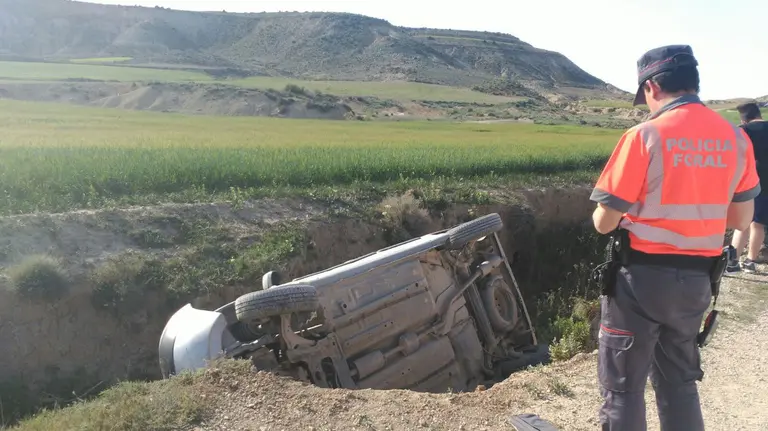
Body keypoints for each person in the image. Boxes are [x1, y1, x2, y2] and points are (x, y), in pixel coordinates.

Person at [588, 45, 760, 431]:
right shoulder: (736, 139)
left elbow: (604, 222)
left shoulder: (644, 135)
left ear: (651, 87)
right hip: (697, 282)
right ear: (693, 83)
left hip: (640, 281)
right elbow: (741, 218)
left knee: (622, 389)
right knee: (679, 385)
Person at [727, 102, 768, 272]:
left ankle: (733, 262)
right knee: (758, 223)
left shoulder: (743, 131)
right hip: (766, 183)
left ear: (744, 119)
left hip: (749, 181)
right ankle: (750, 261)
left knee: (743, 223)